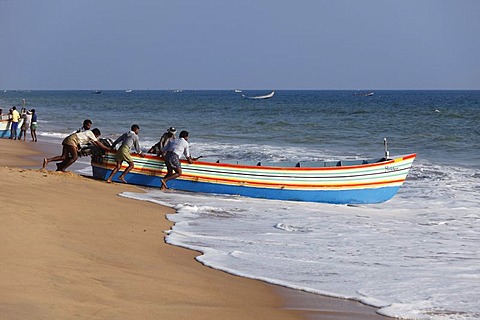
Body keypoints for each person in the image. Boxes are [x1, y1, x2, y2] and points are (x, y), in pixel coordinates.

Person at [42, 128, 110, 172]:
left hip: (68, 139)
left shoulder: (87, 133)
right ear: (96, 134)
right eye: (97, 136)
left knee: (64, 157)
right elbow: (97, 143)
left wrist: (78, 148)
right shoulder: (91, 134)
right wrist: (107, 149)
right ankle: (62, 169)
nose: (96, 138)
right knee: (75, 157)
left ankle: (48, 160)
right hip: (72, 140)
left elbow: (93, 143)